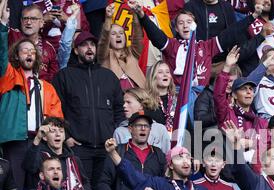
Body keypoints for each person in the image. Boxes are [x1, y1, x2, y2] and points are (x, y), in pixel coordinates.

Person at [52, 30, 125, 190]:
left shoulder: (109, 77)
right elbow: (55, 112)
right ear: (76, 50)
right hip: (78, 148)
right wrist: (66, 137)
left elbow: (119, 110)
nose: (89, 48)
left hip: (106, 149)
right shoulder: (64, 76)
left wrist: (116, 135)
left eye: (92, 45)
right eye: (84, 45)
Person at [0, 0, 63, 190]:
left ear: (37, 58)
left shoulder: (47, 87)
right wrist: (3, 27)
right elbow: (1, 55)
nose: (28, 53)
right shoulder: (9, 77)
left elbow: (57, 119)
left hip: (39, 143)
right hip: (16, 142)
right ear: (16, 57)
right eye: (23, 50)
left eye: (32, 51)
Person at [131, 0, 265, 87]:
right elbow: (156, 35)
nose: (185, 26)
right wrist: (142, 15)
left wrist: (252, 17)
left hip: (200, 93)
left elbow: (230, 33)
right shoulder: (172, 45)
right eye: (181, 23)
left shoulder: (206, 46)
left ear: (195, 25)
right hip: (177, 94)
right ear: (176, 28)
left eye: (189, 22)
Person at [22, 117, 91, 190]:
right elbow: (29, 167)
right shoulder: (40, 156)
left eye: (61, 131)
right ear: (45, 137)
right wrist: (37, 138)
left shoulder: (74, 159)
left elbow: (85, 183)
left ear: (64, 136)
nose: (58, 134)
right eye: (53, 131)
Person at [97, 3, 146, 90]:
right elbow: (104, 39)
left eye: (121, 33)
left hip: (139, 98)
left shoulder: (132, 53)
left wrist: (134, 14)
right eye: (113, 34)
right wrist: (108, 18)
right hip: (117, 99)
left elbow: (138, 37)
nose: (118, 36)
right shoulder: (104, 55)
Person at [8, 4, 59, 81]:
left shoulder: (49, 48)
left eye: (33, 19)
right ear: (21, 21)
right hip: (14, 86)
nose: (28, 22)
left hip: (40, 90)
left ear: (42, 23)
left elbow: (54, 78)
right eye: (25, 18)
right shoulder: (12, 35)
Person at [113, 88, 170, 154]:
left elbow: (167, 158)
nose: (124, 105)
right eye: (124, 102)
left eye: (128, 102)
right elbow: (116, 160)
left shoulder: (160, 129)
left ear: (141, 105)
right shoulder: (119, 132)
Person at [145, 60, 178, 134]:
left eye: (167, 72)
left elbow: (188, 126)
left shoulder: (178, 100)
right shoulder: (146, 101)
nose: (165, 75)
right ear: (153, 77)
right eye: (160, 72)